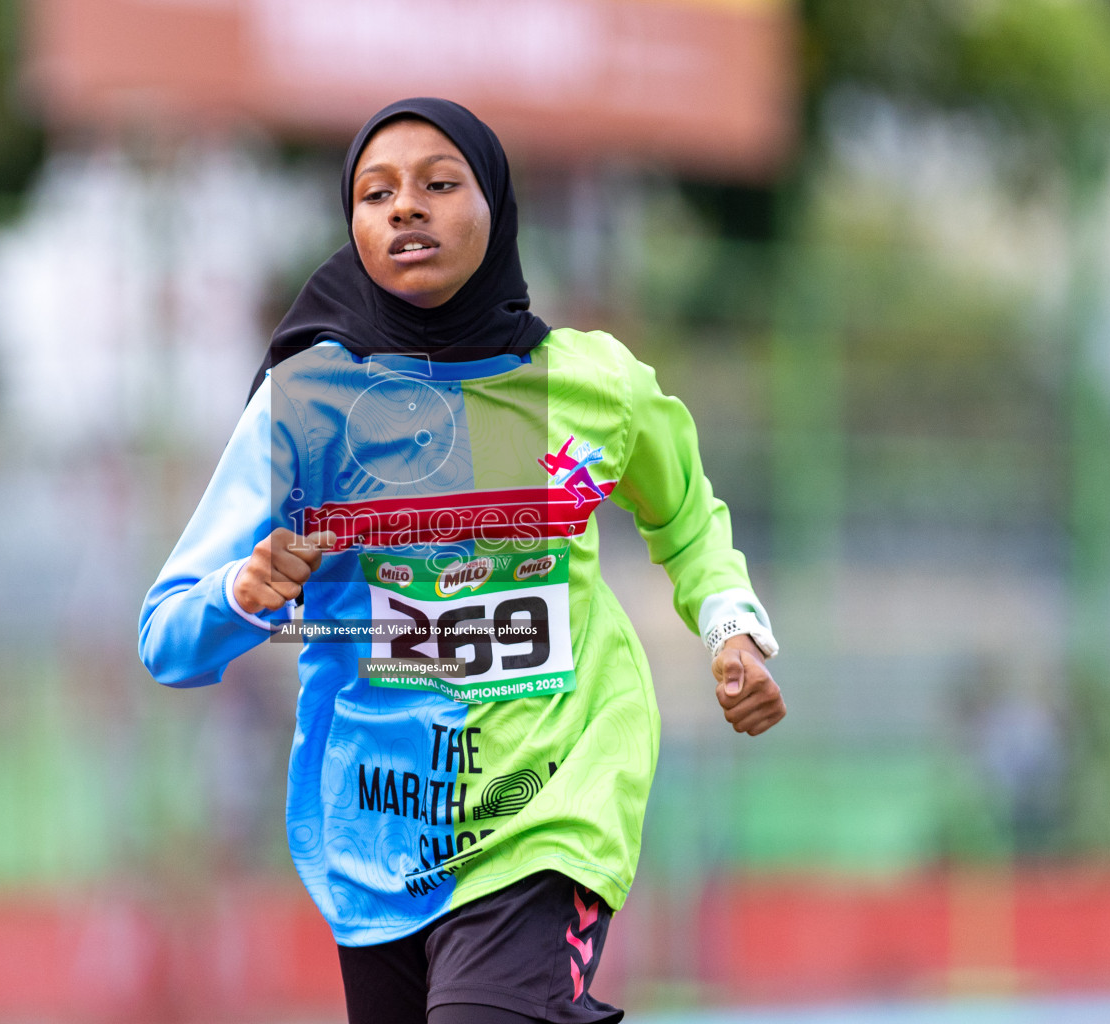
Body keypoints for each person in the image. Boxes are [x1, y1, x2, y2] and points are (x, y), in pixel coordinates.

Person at [139, 98, 785, 1024]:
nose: (407, 208)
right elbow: (166, 641)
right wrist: (241, 595)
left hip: (550, 806)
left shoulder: (593, 384)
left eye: (440, 184)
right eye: (376, 192)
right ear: (352, 224)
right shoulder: (304, 406)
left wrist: (731, 626)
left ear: (499, 207)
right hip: (378, 829)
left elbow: (686, 521)